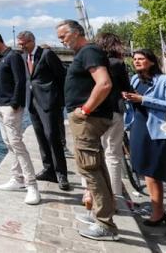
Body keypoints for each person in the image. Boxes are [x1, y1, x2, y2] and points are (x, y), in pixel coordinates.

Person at [55, 19, 118, 241]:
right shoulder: (88, 53)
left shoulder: (89, 51)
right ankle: (104, 215)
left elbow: (104, 83)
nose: (61, 41)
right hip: (90, 119)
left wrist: (84, 109)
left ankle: (105, 224)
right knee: (96, 167)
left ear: (77, 32)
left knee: (90, 169)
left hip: (88, 120)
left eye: (63, 36)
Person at [122, 49, 166, 232]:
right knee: (145, 172)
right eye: (135, 59)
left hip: (158, 131)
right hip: (138, 128)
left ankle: (163, 213)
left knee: (155, 173)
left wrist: (143, 99)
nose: (137, 62)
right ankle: (158, 210)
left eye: (141, 59)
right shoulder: (134, 79)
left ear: (151, 61)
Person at [0, 30, 40, 205]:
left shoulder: (13, 57)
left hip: (9, 107)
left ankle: (32, 185)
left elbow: (20, 81)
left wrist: (15, 104)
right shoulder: (2, 57)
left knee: (17, 144)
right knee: (9, 143)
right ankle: (18, 178)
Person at [16, 31, 70, 191]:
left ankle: (62, 174)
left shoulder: (47, 54)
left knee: (52, 136)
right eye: (19, 43)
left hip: (48, 103)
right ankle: (49, 170)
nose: (21, 46)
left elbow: (62, 77)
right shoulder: (23, 57)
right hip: (32, 103)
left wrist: (59, 101)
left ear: (32, 41)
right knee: (41, 137)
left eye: (23, 43)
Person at [82, 33, 131, 207]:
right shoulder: (118, 64)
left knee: (91, 152)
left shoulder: (92, 63)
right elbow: (127, 88)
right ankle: (115, 196)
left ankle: (89, 191)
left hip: (94, 112)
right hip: (114, 112)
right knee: (113, 154)